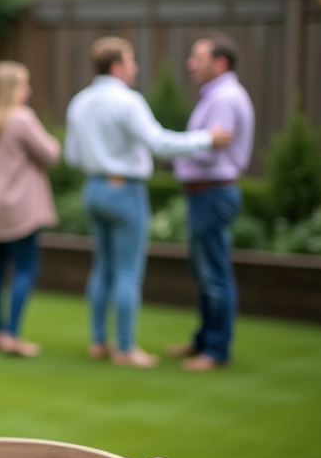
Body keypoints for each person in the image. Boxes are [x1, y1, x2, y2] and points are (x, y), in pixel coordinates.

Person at [64, 37, 233, 368]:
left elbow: (71, 156)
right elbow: (159, 143)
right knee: (127, 270)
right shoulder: (128, 101)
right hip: (124, 191)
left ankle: (99, 342)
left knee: (102, 267)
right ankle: (126, 348)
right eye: (131, 61)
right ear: (116, 67)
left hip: (93, 189)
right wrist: (207, 138)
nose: (135, 68)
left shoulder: (79, 102)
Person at [166, 34, 255, 372]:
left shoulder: (223, 99)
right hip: (207, 192)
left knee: (214, 273)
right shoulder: (219, 96)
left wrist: (175, 148)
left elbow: (211, 148)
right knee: (205, 272)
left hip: (213, 192)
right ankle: (203, 340)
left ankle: (216, 350)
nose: (191, 63)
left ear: (220, 63)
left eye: (197, 57)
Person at [0, 61, 61, 357]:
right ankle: (14, 335)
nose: (28, 91)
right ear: (10, 89)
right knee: (24, 268)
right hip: (20, 210)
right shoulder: (22, 118)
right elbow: (51, 154)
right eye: (23, 84)